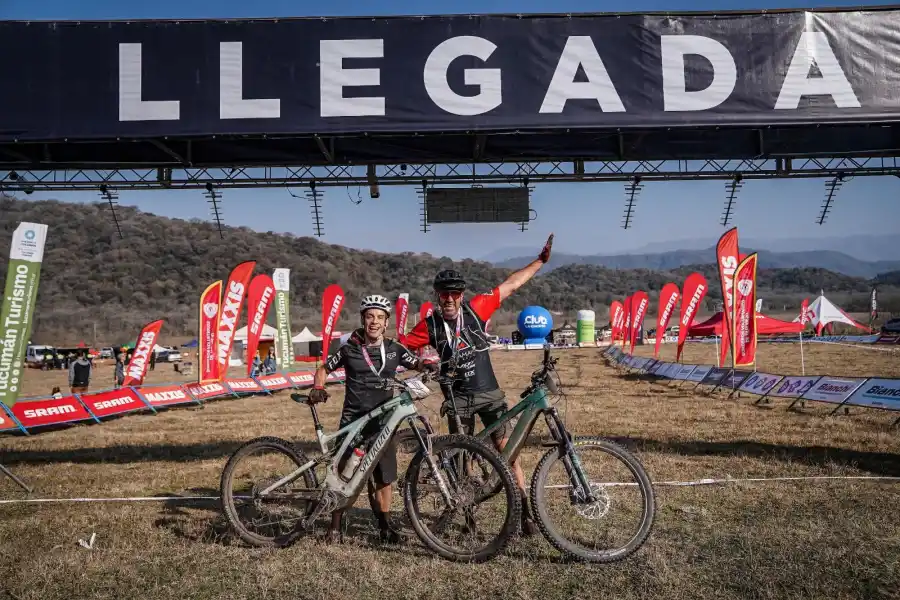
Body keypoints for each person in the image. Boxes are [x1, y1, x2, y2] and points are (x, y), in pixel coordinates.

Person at [400, 233, 553, 536]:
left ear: (462, 294)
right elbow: (399, 348)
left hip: (490, 395)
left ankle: (523, 510)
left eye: (455, 293)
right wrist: (416, 363)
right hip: (459, 402)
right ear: (436, 295)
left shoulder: (476, 309)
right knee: (462, 460)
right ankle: (468, 516)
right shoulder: (430, 325)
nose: (449, 299)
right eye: (444, 294)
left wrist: (539, 262)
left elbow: (511, 284)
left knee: (507, 450)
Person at [309, 294, 435, 545]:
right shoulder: (349, 349)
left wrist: (429, 365)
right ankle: (334, 527)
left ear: (386, 322)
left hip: (384, 423)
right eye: (369, 317)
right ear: (363, 320)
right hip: (353, 421)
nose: (374, 322)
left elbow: (417, 362)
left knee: (383, 477)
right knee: (342, 474)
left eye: (379, 317)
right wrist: (319, 386)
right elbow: (324, 368)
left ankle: (384, 527)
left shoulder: (395, 349)